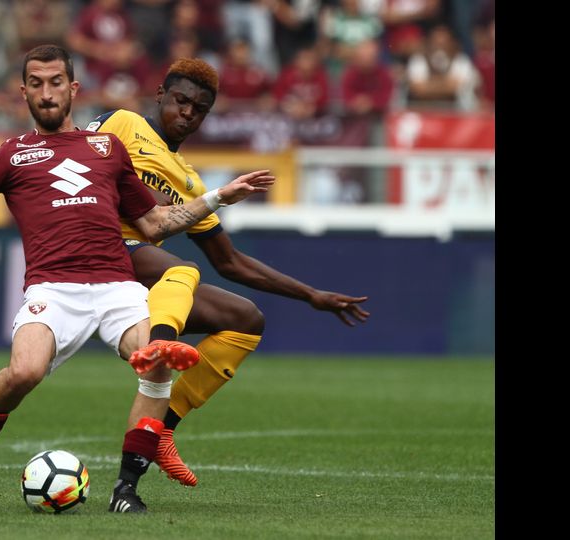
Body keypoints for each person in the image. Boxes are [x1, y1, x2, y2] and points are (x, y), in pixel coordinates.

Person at [0, 45, 275, 513]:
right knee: (23, 372)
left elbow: (153, 224)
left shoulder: (108, 149)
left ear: (73, 89)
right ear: (24, 91)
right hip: (52, 288)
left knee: (156, 364)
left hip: (116, 286)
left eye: (55, 83)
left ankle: (126, 489)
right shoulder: (11, 154)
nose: (46, 93)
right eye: (36, 83)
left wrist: (218, 198)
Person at [87, 57, 370, 487]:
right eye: (181, 101)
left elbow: (230, 262)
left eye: (199, 109)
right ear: (160, 95)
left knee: (246, 319)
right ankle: (159, 351)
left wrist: (312, 295)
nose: (187, 113)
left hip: (137, 267)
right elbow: (74, 163)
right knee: (179, 269)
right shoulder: (122, 123)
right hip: (95, 250)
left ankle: (162, 426)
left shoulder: (190, 183)